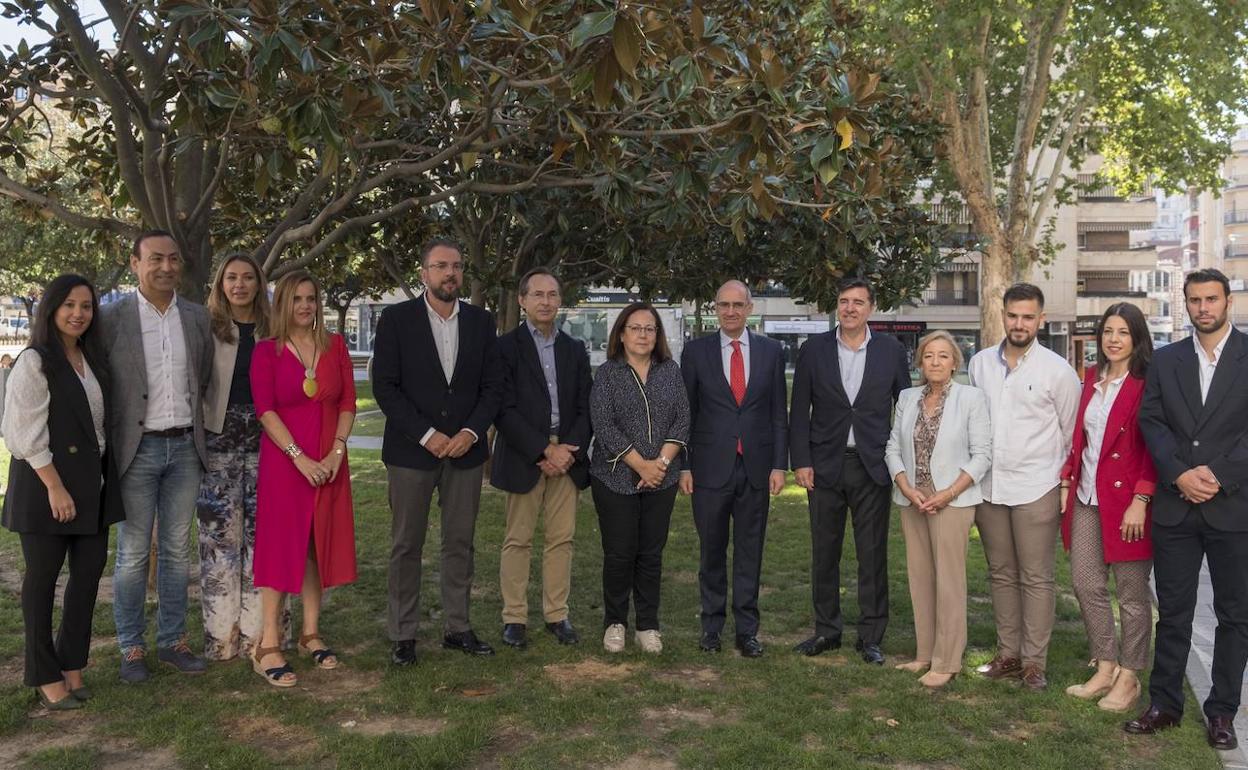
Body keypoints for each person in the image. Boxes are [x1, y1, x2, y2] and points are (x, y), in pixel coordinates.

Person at [1129, 269, 1248, 750]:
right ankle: (1165, 705)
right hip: (1175, 505)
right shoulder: (1167, 359)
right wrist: (1179, 474)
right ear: (1186, 304)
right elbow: (1152, 421)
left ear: (1227, 301)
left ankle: (1222, 712)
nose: (1203, 308)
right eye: (1195, 300)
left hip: (1233, 506)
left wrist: (1216, 474)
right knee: (1174, 613)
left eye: (1211, 299)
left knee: (1234, 616)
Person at [372, 238, 505, 665]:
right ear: (423, 273)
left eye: (457, 266)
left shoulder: (482, 322)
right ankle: (403, 634)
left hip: (466, 453)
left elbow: (493, 387)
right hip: (411, 452)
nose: (450, 273)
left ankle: (458, 628)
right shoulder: (396, 319)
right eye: (441, 266)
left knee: (460, 543)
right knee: (406, 544)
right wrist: (426, 434)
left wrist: (471, 431)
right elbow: (385, 387)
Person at [2, 275, 124, 709]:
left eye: (86, 306)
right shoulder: (34, 361)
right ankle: (44, 674)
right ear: (51, 309)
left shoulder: (93, 359)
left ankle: (73, 665)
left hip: (92, 486)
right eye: (69, 305)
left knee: (88, 578)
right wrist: (55, 487)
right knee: (42, 581)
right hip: (44, 488)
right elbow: (22, 434)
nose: (78, 313)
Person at [98, 230, 214, 683]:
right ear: (135, 263)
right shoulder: (111, 318)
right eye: (155, 259)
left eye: (173, 259)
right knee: (131, 553)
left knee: (176, 550)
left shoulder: (198, 317)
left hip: (185, 448)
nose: (166, 267)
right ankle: (131, 648)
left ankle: (173, 642)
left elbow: (203, 379)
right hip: (137, 450)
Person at [789, 278, 910, 664]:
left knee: (872, 554)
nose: (850, 308)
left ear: (871, 308)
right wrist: (801, 461)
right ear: (836, 306)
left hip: (872, 466)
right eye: (843, 301)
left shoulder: (891, 351)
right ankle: (827, 630)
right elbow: (799, 410)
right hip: (824, 465)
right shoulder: (814, 350)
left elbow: (904, 409)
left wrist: (900, 464)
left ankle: (871, 636)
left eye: (858, 302)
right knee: (824, 552)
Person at [967, 283, 1080, 690]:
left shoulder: (1058, 371)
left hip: (1037, 487)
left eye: (1028, 317)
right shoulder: (979, 364)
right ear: (1003, 315)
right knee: (1001, 573)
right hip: (989, 488)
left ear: (1041, 320)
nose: (1019, 324)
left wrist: (1063, 485)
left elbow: (1071, 434)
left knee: (1035, 577)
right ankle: (1008, 655)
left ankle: (1034, 663)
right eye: (1013, 315)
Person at [249, 271, 357, 686]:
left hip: (330, 462)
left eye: (311, 298)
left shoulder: (336, 346)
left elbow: (347, 402)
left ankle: (310, 633)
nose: (305, 306)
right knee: (280, 546)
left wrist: (335, 453)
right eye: (296, 299)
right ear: (282, 304)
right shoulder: (266, 351)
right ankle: (268, 643)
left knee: (317, 543)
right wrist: (300, 458)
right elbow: (265, 410)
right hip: (286, 463)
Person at [679, 281, 787, 658]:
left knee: (749, 552)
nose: (730, 311)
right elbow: (686, 413)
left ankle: (747, 630)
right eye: (723, 305)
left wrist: (779, 465)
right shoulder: (696, 352)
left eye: (737, 305)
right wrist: (684, 466)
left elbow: (778, 413)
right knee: (711, 551)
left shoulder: (772, 352)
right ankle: (711, 627)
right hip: (709, 469)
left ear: (749, 308)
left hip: (756, 467)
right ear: (715, 308)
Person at [1058, 303, 1155, 713]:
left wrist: (1141, 498)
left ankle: (1129, 676)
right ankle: (1105, 665)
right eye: (1108, 331)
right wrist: (1067, 480)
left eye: (1123, 332)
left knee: (1132, 594)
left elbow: (1153, 447)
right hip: (1086, 498)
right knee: (1085, 583)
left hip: (1128, 503)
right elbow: (1079, 440)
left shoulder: (1146, 383)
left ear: (1137, 338)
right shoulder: (1090, 379)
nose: (1114, 339)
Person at [491, 268, 592, 649]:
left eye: (552, 295)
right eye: (538, 294)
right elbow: (503, 408)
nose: (546, 301)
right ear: (522, 300)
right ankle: (514, 617)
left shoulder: (574, 349)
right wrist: (543, 450)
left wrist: (565, 451)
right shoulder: (504, 348)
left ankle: (556, 615)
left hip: (568, 454)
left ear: (560, 300)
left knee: (561, 540)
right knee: (518, 539)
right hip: (524, 453)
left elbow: (586, 405)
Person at [884, 330, 991, 688]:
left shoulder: (971, 398)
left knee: (948, 581)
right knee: (920, 578)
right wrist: (905, 486)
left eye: (943, 355)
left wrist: (948, 493)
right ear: (920, 361)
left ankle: (947, 661)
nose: (935, 362)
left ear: (955, 362)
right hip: (913, 499)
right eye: (929, 355)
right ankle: (924, 654)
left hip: (952, 502)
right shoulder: (907, 397)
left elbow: (982, 456)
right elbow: (892, 447)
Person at [197, 253, 289, 661]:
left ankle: (261, 634)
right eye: (231, 277)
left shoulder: (275, 329)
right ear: (221, 284)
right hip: (219, 442)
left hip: (269, 442)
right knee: (220, 540)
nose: (239, 285)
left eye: (247, 277)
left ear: (259, 283)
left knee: (264, 540)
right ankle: (221, 638)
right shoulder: (207, 327)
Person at [590, 302, 689, 654]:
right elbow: (604, 425)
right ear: (621, 334)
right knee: (620, 553)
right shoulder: (607, 373)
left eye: (650, 329)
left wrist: (659, 465)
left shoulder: (670, 371)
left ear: (657, 335)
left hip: (662, 478)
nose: (643, 335)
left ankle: (647, 626)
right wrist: (640, 465)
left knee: (650, 554)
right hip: (615, 478)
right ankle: (615, 622)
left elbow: (682, 420)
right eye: (635, 328)